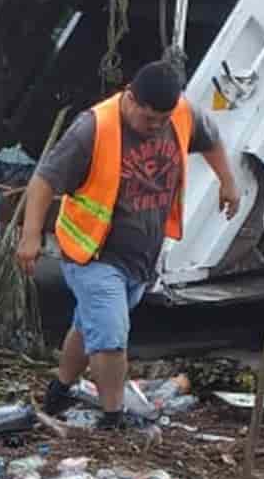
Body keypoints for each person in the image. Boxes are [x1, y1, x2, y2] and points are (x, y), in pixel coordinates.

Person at [18, 60, 241, 430]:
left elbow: (211, 138)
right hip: (94, 253)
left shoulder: (181, 113)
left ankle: (59, 390)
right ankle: (113, 417)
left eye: (163, 119)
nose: (156, 127)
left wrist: (227, 182)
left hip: (140, 258)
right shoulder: (94, 127)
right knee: (110, 336)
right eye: (150, 119)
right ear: (131, 99)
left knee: (89, 323)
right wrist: (30, 237)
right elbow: (44, 180)